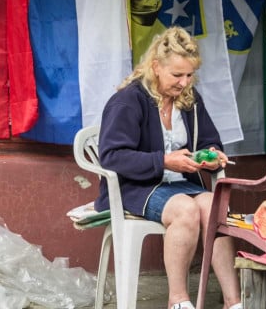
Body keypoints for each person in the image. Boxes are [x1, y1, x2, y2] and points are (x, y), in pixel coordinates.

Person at [94, 26, 241, 309]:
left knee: (215, 205)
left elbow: (210, 140)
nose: (184, 82)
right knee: (185, 209)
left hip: (178, 185)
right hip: (136, 186)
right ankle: (178, 301)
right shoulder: (128, 100)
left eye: (189, 75)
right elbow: (112, 156)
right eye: (177, 75)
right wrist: (163, 161)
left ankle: (234, 302)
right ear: (155, 67)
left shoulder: (189, 100)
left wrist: (211, 156)